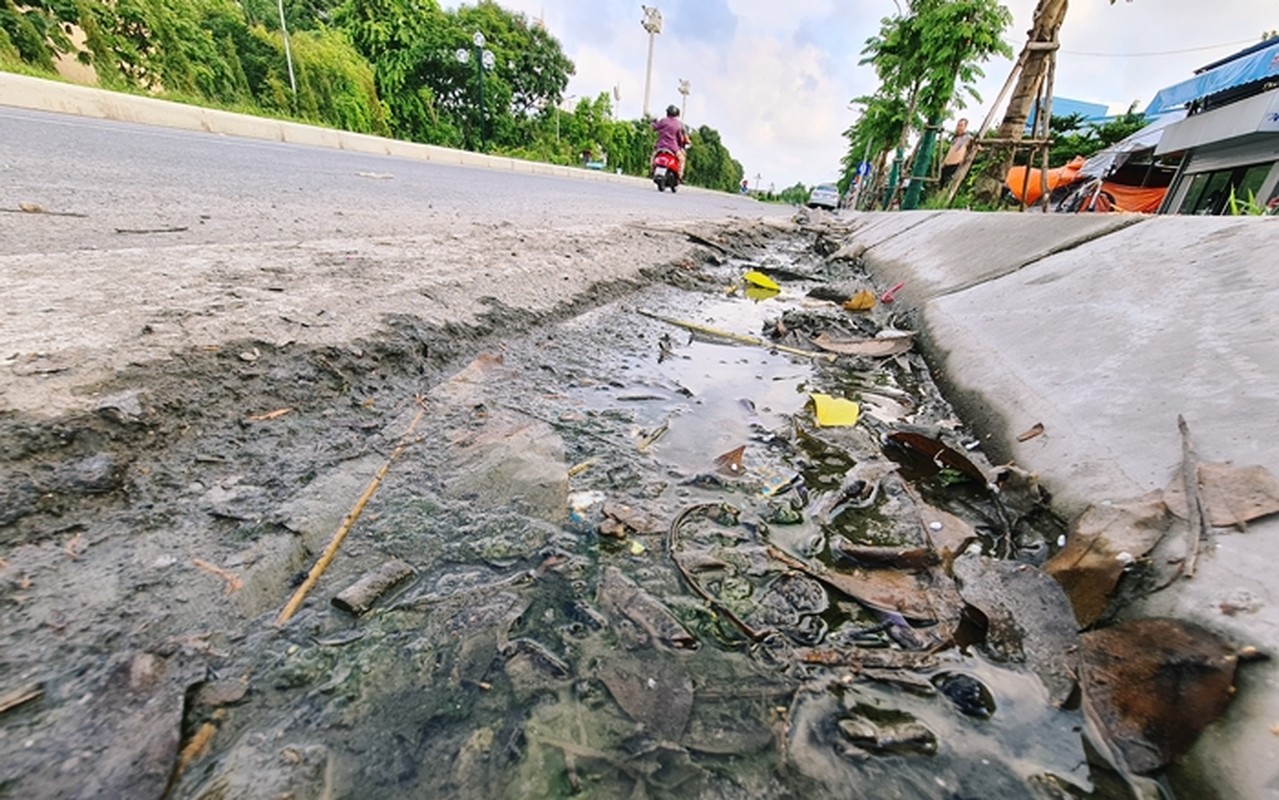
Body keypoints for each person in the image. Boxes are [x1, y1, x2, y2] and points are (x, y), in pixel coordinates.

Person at [652, 105, 690, 178]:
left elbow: (654, 127)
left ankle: (652, 170)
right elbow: (680, 138)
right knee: (682, 159)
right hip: (673, 147)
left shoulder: (663, 121)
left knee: (653, 156)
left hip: (660, 145)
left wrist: (653, 122)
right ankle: (680, 175)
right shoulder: (679, 124)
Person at [939, 117, 973, 189]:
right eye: (958, 125)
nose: (959, 127)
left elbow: (976, 145)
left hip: (955, 165)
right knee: (940, 186)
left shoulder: (968, 137)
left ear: (965, 127)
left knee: (948, 186)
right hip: (946, 165)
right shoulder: (955, 139)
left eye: (961, 125)